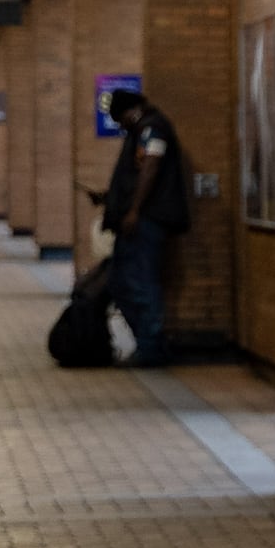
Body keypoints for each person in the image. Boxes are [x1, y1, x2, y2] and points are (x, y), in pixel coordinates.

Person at [98, 87, 191, 369]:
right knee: (122, 283)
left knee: (142, 283)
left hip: (146, 222)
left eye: (120, 118)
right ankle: (147, 344)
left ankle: (151, 349)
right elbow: (135, 176)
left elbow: (150, 168)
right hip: (137, 221)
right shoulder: (141, 130)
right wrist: (108, 197)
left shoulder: (153, 128)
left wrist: (135, 211)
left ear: (132, 111)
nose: (119, 125)